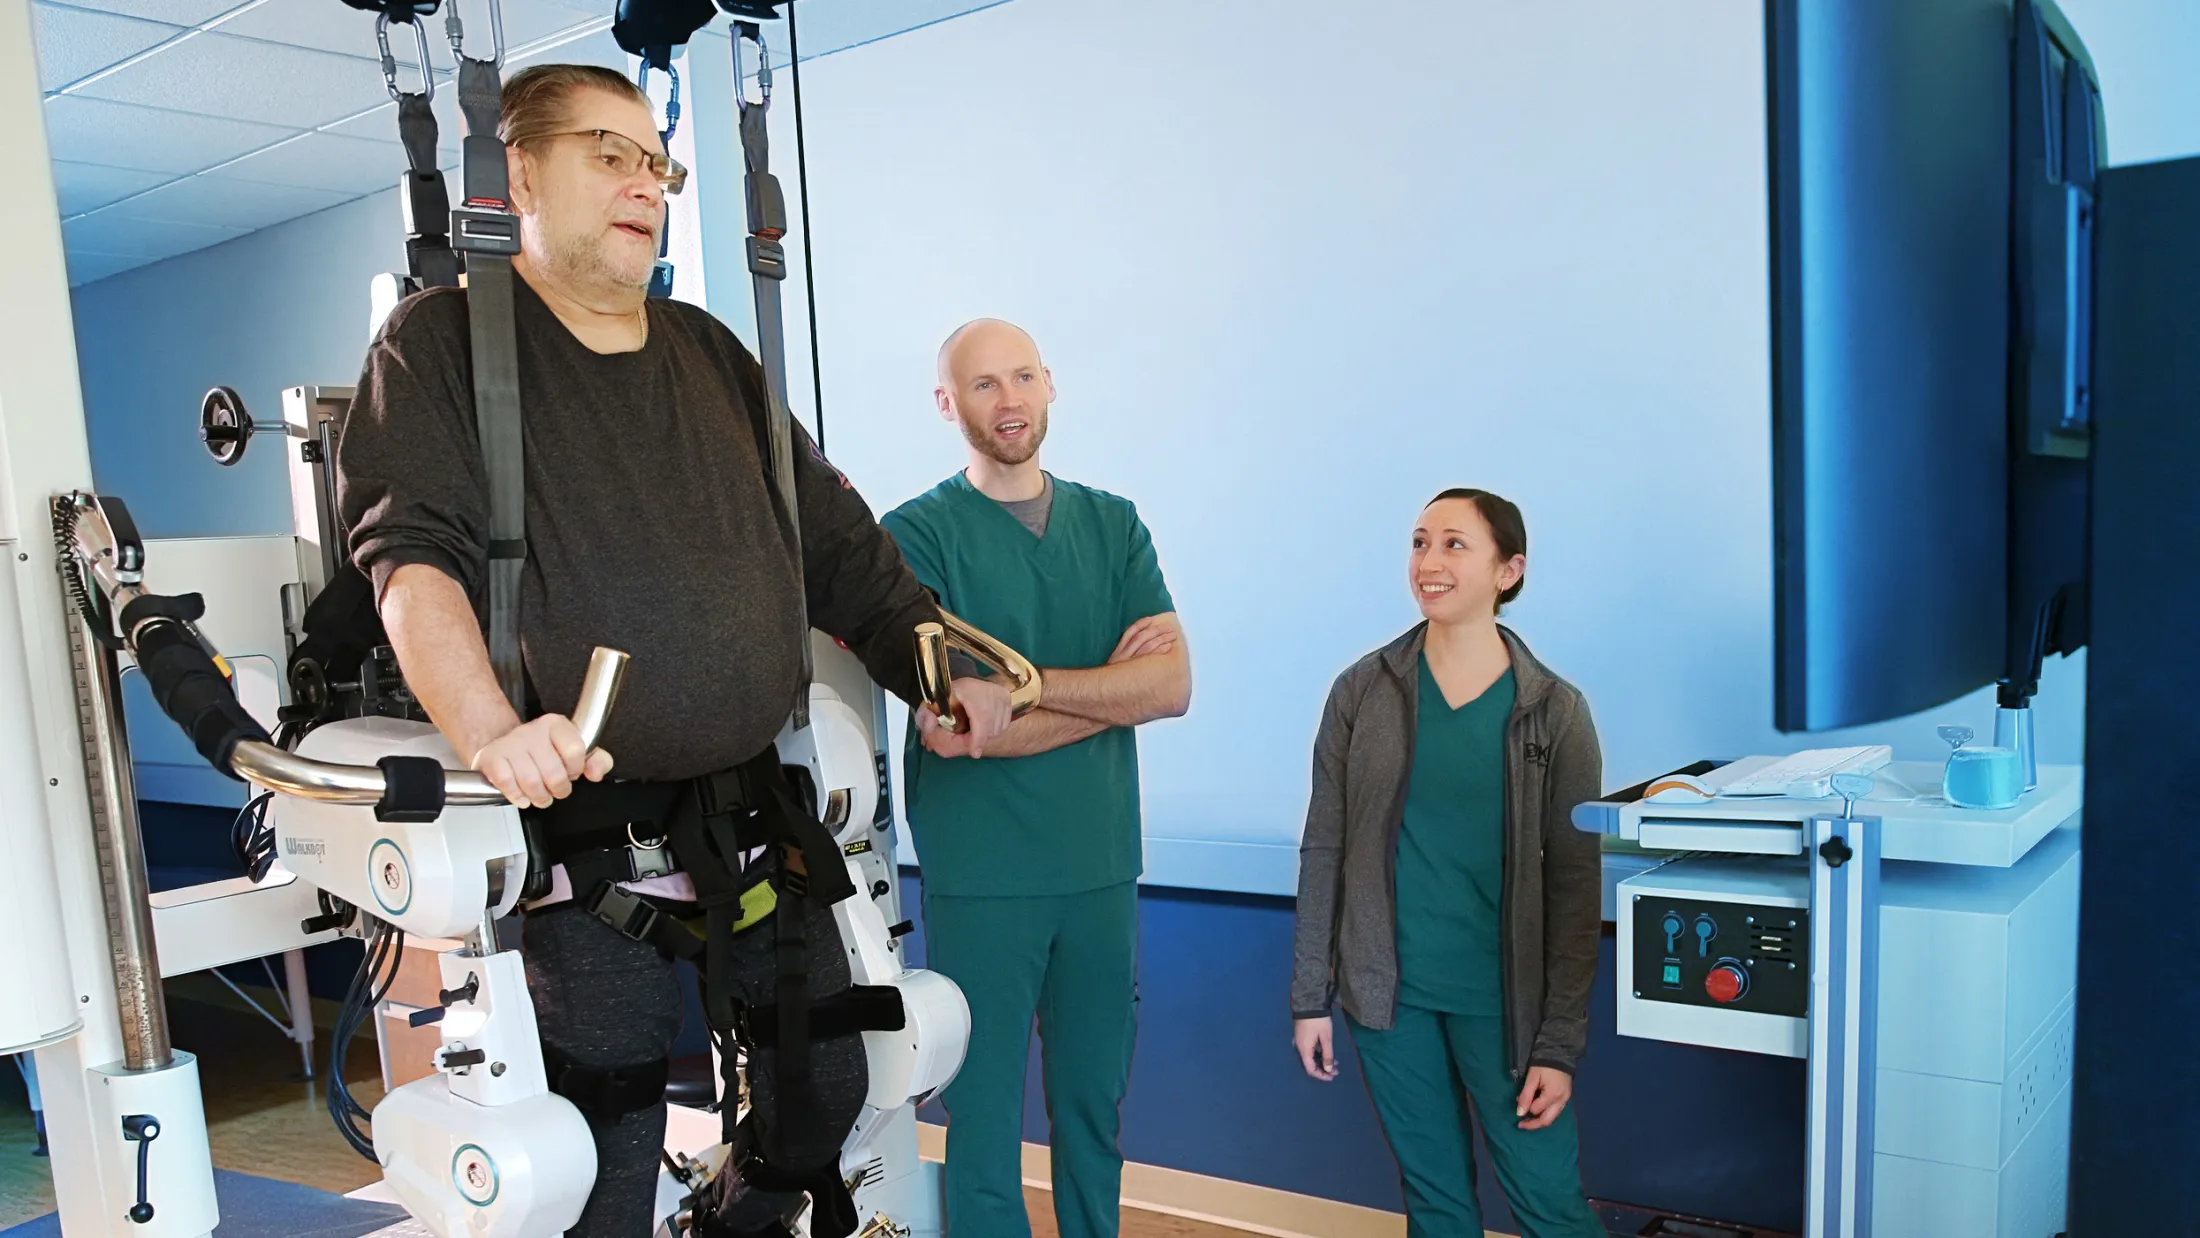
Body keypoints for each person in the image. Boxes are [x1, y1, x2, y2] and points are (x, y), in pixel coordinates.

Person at [336, 64, 1011, 1237]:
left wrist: (932, 667)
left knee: (827, 1090)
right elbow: (413, 562)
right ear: (520, 172)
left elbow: (843, 549)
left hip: (751, 817)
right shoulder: (445, 344)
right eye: (608, 152)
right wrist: (491, 730)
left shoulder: (709, 354)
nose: (644, 183)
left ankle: (725, 1218)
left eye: (657, 161)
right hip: (584, 832)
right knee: (603, 1144)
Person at [880, 320, 1192, 1238]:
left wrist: (1024, 691)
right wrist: (1107, 688)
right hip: (987, 879)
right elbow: (950, 734)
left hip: (1099, 866)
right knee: (980, 1127)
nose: (1007, 399)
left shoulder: (1114, 523)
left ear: (1050, 384)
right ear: (949, 405)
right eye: (982, 385)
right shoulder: (916, 537)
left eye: (1021, 377)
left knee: (1095, 1114)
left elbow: (1169, 686)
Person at [1289, 489, 1605, 1238]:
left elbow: (1572, 884)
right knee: (1435, 1205)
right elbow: (1325, 844)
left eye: (1455, 545)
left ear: (1509, 569)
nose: (1429, 562)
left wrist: (1558, 1047)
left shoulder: (1555, 711)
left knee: (1549, 1204)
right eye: (1420, 542)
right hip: (1388, 1000)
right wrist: (1310, 997)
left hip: (1507, 1008)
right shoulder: (1362, 693)